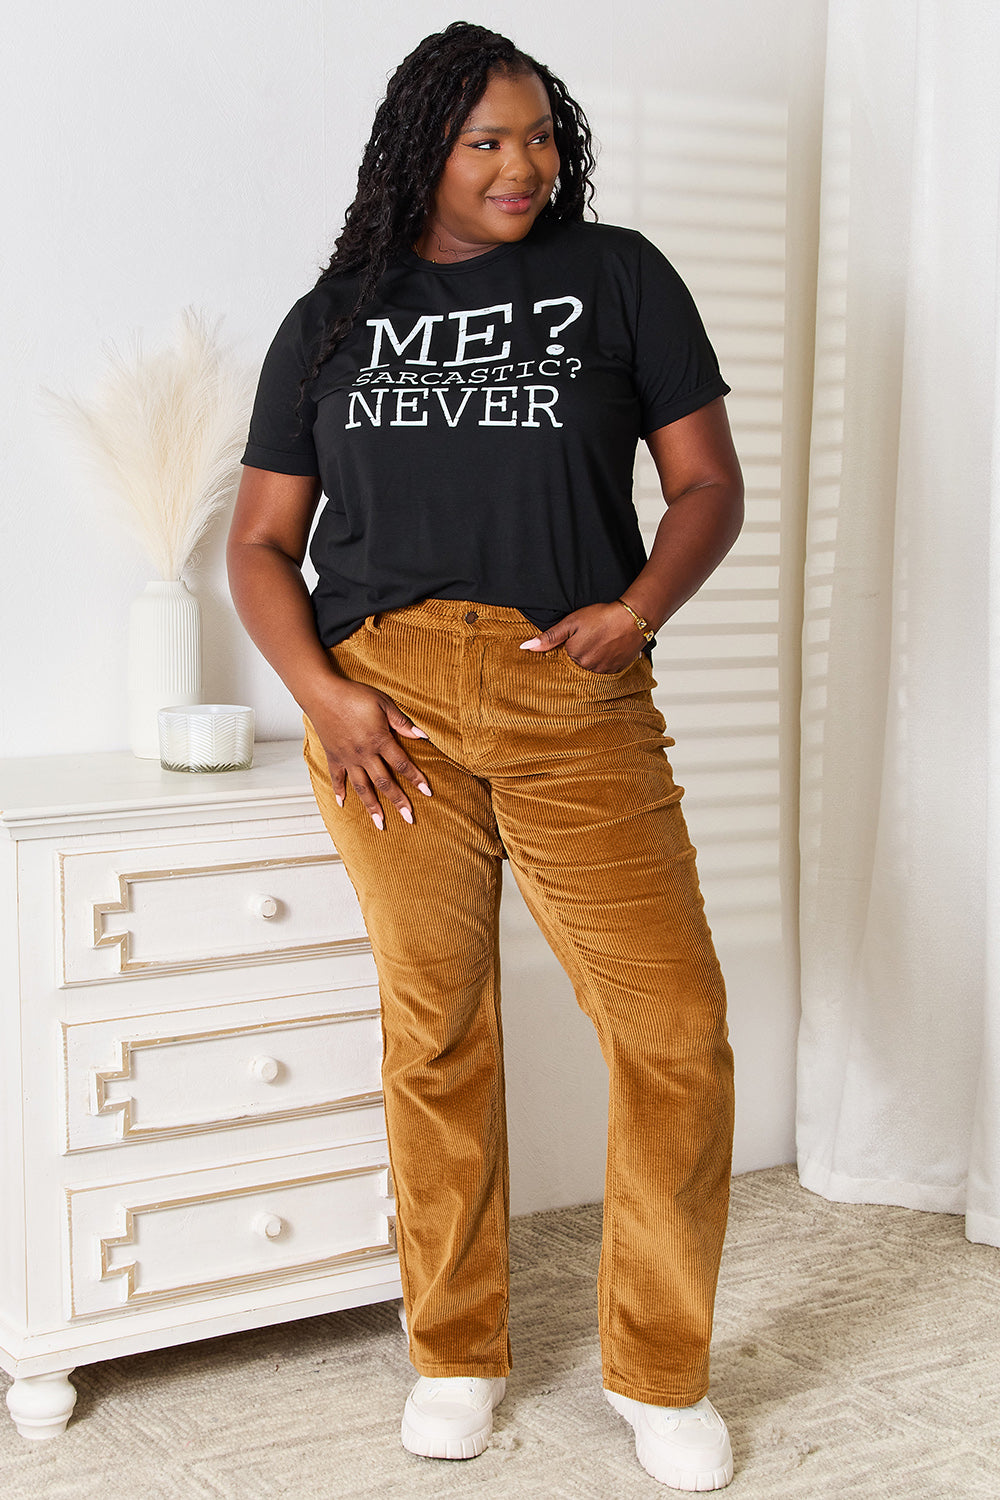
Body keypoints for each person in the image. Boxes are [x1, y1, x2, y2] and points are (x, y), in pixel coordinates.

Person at [227, 21, 743, 1491]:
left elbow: (706, 483)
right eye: (489, 142)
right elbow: (260, 545)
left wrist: (636, 610)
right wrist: (326, 701)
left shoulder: (619, 278)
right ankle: (454, 1348)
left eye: (542, 136)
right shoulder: (333, 315)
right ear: (423, 155)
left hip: (571, 689)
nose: (527, 166)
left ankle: (660, 1367)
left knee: (674, 1032)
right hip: (385, 711)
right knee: (436, 1030)